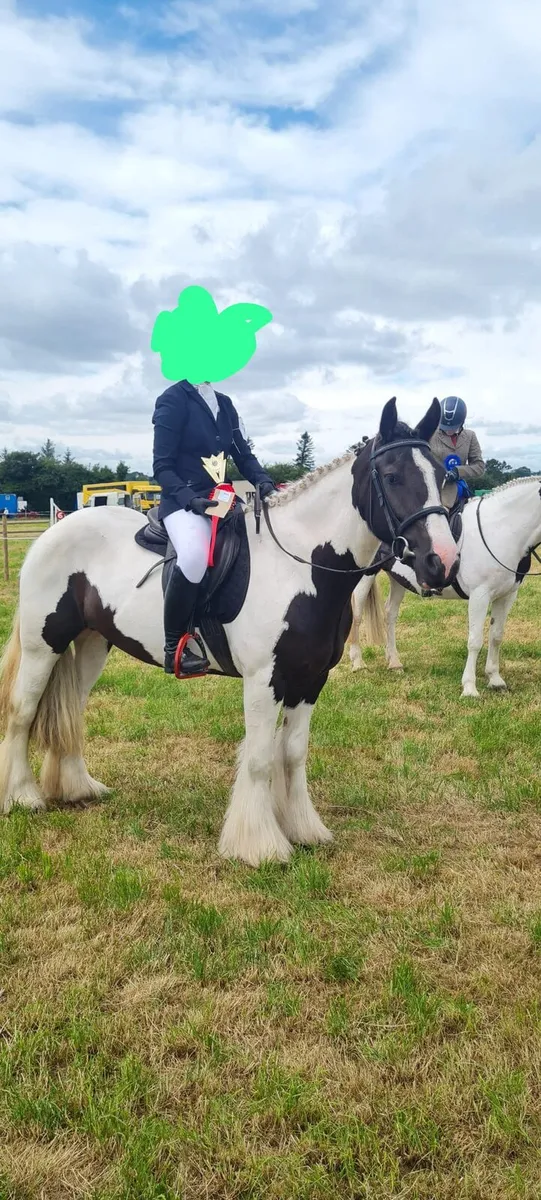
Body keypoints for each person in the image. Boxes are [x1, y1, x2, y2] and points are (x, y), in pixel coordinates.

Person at [152, 379, 277, 677]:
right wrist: (188, 499)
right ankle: (174, 649)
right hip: (184, 501)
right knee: (194, 556)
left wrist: (264, 480)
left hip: (221, 499)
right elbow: (162, 467)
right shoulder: (172, 400)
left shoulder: (224, 402)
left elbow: (242, 454)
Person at [430, 397, 485, 509]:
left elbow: (479, 466)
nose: (448, 430)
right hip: (435, 491)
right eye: (445, 427)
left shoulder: (470, 436)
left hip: (459, 490)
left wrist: (458, 471)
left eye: (453, 427)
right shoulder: (431, 436)